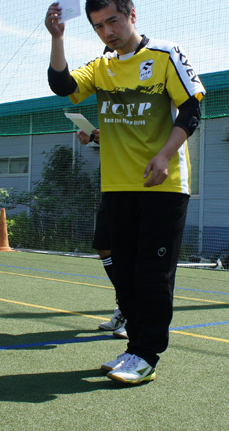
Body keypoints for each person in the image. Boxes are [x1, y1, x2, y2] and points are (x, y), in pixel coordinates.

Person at [45, 0, 205, 384]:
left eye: (113, 21)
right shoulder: (101, 67)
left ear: (132, 14)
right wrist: (58, 38)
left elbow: (192, 109)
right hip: (117, 186)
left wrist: (164, 155)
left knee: (152, 273)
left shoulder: (166, 54)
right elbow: (62, 86)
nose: (107, 32)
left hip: (163, 184)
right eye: (98, 26)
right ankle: (134, 348)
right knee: (128, 274)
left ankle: (147, 354)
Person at [76, 128, 127, 339]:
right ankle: (126, 305)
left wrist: (108, 136)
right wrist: (95, 139)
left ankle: (134, 313)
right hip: (112, 186)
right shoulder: (110, 114)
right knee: (103, 245)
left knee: (129, 251)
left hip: (136, 186)